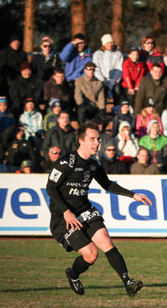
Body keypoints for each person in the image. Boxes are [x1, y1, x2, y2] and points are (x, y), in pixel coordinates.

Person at [48, 123, 152, 296]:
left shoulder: (94, 164)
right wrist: (66, 212)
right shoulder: (66, 162)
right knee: (91, 255)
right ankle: (73, 274)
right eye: (92, 139)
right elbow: (51, 188)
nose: (97, 143)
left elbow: (107, 184)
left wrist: (133, 195)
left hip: (84, 210)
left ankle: (128, 282)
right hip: (62, 217)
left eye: (98, 139)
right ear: (81, 141)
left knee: (106, 241)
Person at [92, 34, 123, 102]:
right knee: (100, 89)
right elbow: (96, 69)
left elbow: (119, 69)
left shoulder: (117, 54)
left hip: (114, 80)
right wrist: (102, 79)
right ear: (104, 44)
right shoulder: (97, 54)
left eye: (111, 42)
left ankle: (116, 108)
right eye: (108, 43)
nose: (110, 44)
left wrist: (114, 80)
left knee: (117, 89)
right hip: (101, 79)